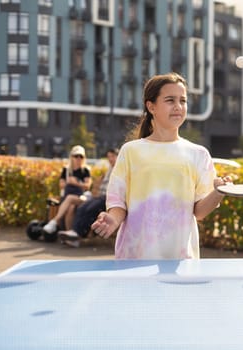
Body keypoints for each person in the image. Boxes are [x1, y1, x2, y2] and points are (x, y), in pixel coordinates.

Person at [91, 72, 230, 259]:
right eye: (170, 100)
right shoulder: (130, 151)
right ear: (151, 106)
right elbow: (118, 202)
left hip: (179, 259)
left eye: (183, 100)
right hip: (135, 255)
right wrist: (113, 219)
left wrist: (218, 193)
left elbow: (199, 212)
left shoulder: (199, 154)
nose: (178, 107)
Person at [57, 148, 119, 247]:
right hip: (101, 197)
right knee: (83, 206)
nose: (110, 159)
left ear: (118, 157)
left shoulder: (119, 169)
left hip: (110, 199)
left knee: (90, 208)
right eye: (109, 157)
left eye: (113, 156)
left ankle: (76, 235)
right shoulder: (110, 169)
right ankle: (74, 235)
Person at [42, 145, 92, 234]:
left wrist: (76, 183)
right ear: (71, 157)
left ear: (84, 158)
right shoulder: (66, 170)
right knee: (70, 207)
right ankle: (69, 235)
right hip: (67, 198)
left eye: (81, 156)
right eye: (76, 156)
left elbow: (87, 186)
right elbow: (61, 185)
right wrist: (68, 182)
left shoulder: (85, 170)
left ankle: (54, 221)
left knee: (70, 198)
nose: (78, 158)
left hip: (80, 197)